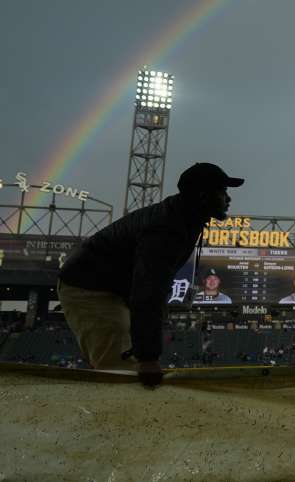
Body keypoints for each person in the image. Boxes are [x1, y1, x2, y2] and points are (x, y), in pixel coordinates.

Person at [57, 163, 242, 387]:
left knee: (124, 362)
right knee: (121, 370)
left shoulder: (183, 218)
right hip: (87, 287)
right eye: (222, 192)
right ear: (203, 196)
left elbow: (152, 287)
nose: (228, 198)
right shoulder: (165, 228)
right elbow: (148, 289)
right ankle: (117, 420)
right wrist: (148, 358)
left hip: (109, 288)